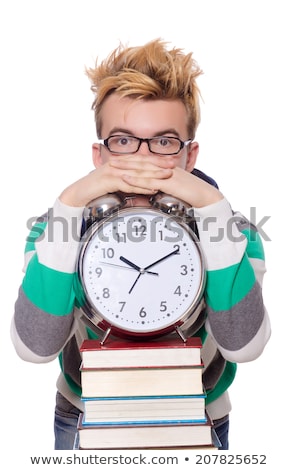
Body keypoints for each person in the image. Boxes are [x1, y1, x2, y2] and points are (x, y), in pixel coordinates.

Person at [11, 38, 271, 450]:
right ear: (99, 156)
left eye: (164, 143)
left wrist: (213, 207)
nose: (144, 159)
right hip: (83, 416)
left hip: (201, 414)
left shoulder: (235, 233)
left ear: (190, 157)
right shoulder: (56, 229)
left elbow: (243, 344)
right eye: (124, 141)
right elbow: (35, 347)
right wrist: (70, 203)